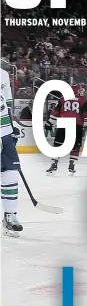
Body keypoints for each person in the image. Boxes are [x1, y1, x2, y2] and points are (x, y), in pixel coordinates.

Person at [45, 84, 87, 176]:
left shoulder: (62, 99)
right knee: (75, 146)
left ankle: (54, 164)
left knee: (58, 145)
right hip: (77, 125)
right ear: (77, 91)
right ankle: (71, 164)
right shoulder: (83, 101)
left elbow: (55, 113)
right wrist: (85, 124)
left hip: (64, 124)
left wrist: (50, 122)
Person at [1, 67, 22, 237]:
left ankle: (10, 216)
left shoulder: (3, 75)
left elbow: (7, 103)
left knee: (11, 172)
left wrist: (11, 125)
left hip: (4, 132)